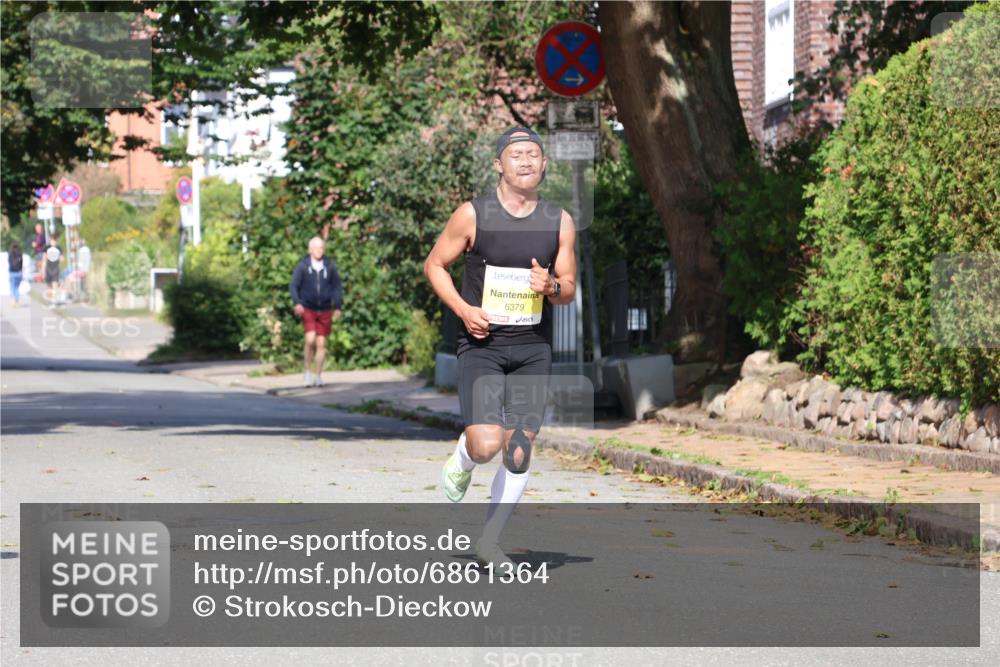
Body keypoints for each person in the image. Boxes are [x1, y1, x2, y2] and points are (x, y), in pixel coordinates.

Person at [423, 127, 577, 568]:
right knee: (487, 445)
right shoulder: (473, 215)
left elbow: (568, 287)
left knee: (520, 450)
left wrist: (550, 286)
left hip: (532, 349)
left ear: (544, 165)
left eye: (533, 154)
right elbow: (435, 265)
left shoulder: (559, 221)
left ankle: (489, 542)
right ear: (498, 164)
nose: (525, 161)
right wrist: (463, 309)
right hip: (482, 345)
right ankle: (464, 455)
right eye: (516, 154)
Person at [289, 236, 343, 387]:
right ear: (310, 250)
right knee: (310, 339)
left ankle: (317, 375)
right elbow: (293, 286)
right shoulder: (303, 266)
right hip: (308, 307)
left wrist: (338, 306)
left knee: (321, 343)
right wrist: (297, 303)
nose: (319, 250)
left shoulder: (329, 266)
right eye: (316, 248)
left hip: (325, 308)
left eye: (321, 247)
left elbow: (337, 287)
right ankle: (307, 372)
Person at [44, 241, 62, 306]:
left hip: (48, 269)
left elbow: (44, 259)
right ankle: (53, 300)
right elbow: (61, 259)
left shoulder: (47, 250)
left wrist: (42, 271)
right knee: (54, 286)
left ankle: (50, 301)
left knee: (49, 286)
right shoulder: (58, 250)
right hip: (55, 269)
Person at [7, 241, 23, 306]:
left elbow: (9, 262)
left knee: (12, 287)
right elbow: (21, 264)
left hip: (12, 272)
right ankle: (17, 300)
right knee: (16, 287)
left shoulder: (11, 253)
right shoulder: (20, 254)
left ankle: (14, 300)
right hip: (19, 273)